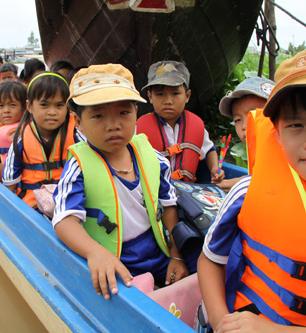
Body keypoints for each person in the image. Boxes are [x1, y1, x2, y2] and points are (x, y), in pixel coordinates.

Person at [197, 47, 306, 332]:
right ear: (278, 134)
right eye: (297, 125)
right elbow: (210, 261)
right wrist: (222, 322)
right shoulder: (246, 191)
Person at [52, 64, 198, 301]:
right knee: (128, 297)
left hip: (156, 246)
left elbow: (168, 205)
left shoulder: (151, 155)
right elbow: (64, 220)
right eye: (98, 116)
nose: (114, 125)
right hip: (113, 255)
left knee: (200, 266)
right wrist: (94, 253)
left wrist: (176, 255)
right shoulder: (79, 166)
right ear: (78, 121)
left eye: (124, 113)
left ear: (136, 114)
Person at [136, 60, 224, 184]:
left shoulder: (196, 127)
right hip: (155, 192)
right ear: (150, 97)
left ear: (187, 96)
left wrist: (215, 168)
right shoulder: (138, 130)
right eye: (160, 94)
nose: (168, 101)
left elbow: (209, 150)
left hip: (186, 190)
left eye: (175, 93)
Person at [2, 72, 78, 209]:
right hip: (32, 202)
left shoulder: (76, 135)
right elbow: (9, 180)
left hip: (67, 198)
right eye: (44, 105)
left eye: (59, 105)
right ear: (30, 106)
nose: (52, 112)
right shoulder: (21, 138)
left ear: (67, 107)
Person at [214, 76, 275, 190]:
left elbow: (268, 178)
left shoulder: (288, 152)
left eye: (254, 114)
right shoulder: (257, 154)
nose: (244, 126)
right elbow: (257, 177)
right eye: (237, 120)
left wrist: (229, 184)